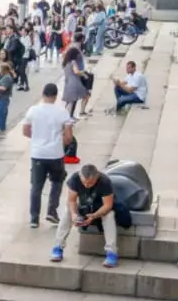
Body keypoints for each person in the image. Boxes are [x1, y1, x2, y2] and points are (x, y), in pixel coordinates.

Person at [51, 161, 120, 269]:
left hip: (99, 208)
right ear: (80, 176)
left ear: (97, 177)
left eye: (90, 183)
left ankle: (111, 252)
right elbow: (71, 201)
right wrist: (74, 214)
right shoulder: (74, 179)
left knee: (109, 215)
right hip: (84, 206)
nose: (87, 185)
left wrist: (94, 216)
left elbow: (108, 205)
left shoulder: (104, 181)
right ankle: (58, 247)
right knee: (67, 212)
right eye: (85, 182)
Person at [22, 82, 72, 229]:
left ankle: (34, 218)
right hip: (56, 154)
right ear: (56, 96)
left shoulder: (33, 110)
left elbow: (25, 131)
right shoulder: (62, 112)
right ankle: (52, 211)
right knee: (57, 182)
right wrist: (58, 143)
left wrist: (38, 138)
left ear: (43, 94)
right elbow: (68, 136)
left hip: (38, 153)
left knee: (36, 186)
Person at [60, 43, 91, 118]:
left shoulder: (65, 63)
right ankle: (70, 116)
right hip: (75, 82)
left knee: (69, 101)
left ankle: (69, 116)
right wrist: (84, 74)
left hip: (67, 82)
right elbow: (76, 71)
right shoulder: (73, 62)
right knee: (75, 100)